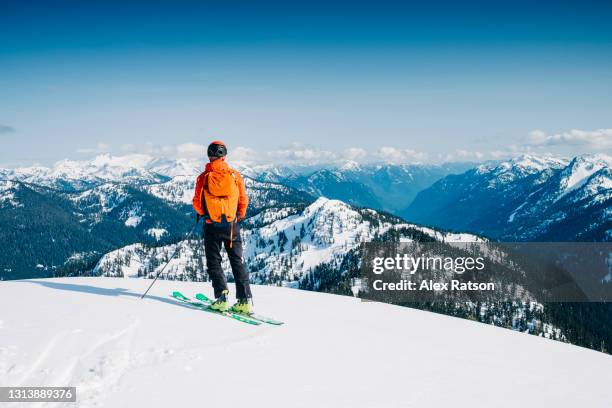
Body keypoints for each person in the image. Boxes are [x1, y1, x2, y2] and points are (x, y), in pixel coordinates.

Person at [192, 140, 252, 314]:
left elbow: (197, 202)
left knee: (214, 262)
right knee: (237, 261)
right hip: (232, 226)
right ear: (224, 156)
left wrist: (204, 213)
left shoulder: (203, 177)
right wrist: (239, 215)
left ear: (209, 156)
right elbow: (243, 199)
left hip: (212, 225)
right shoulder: (235, 176)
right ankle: (244, 301)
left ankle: (222, 297)